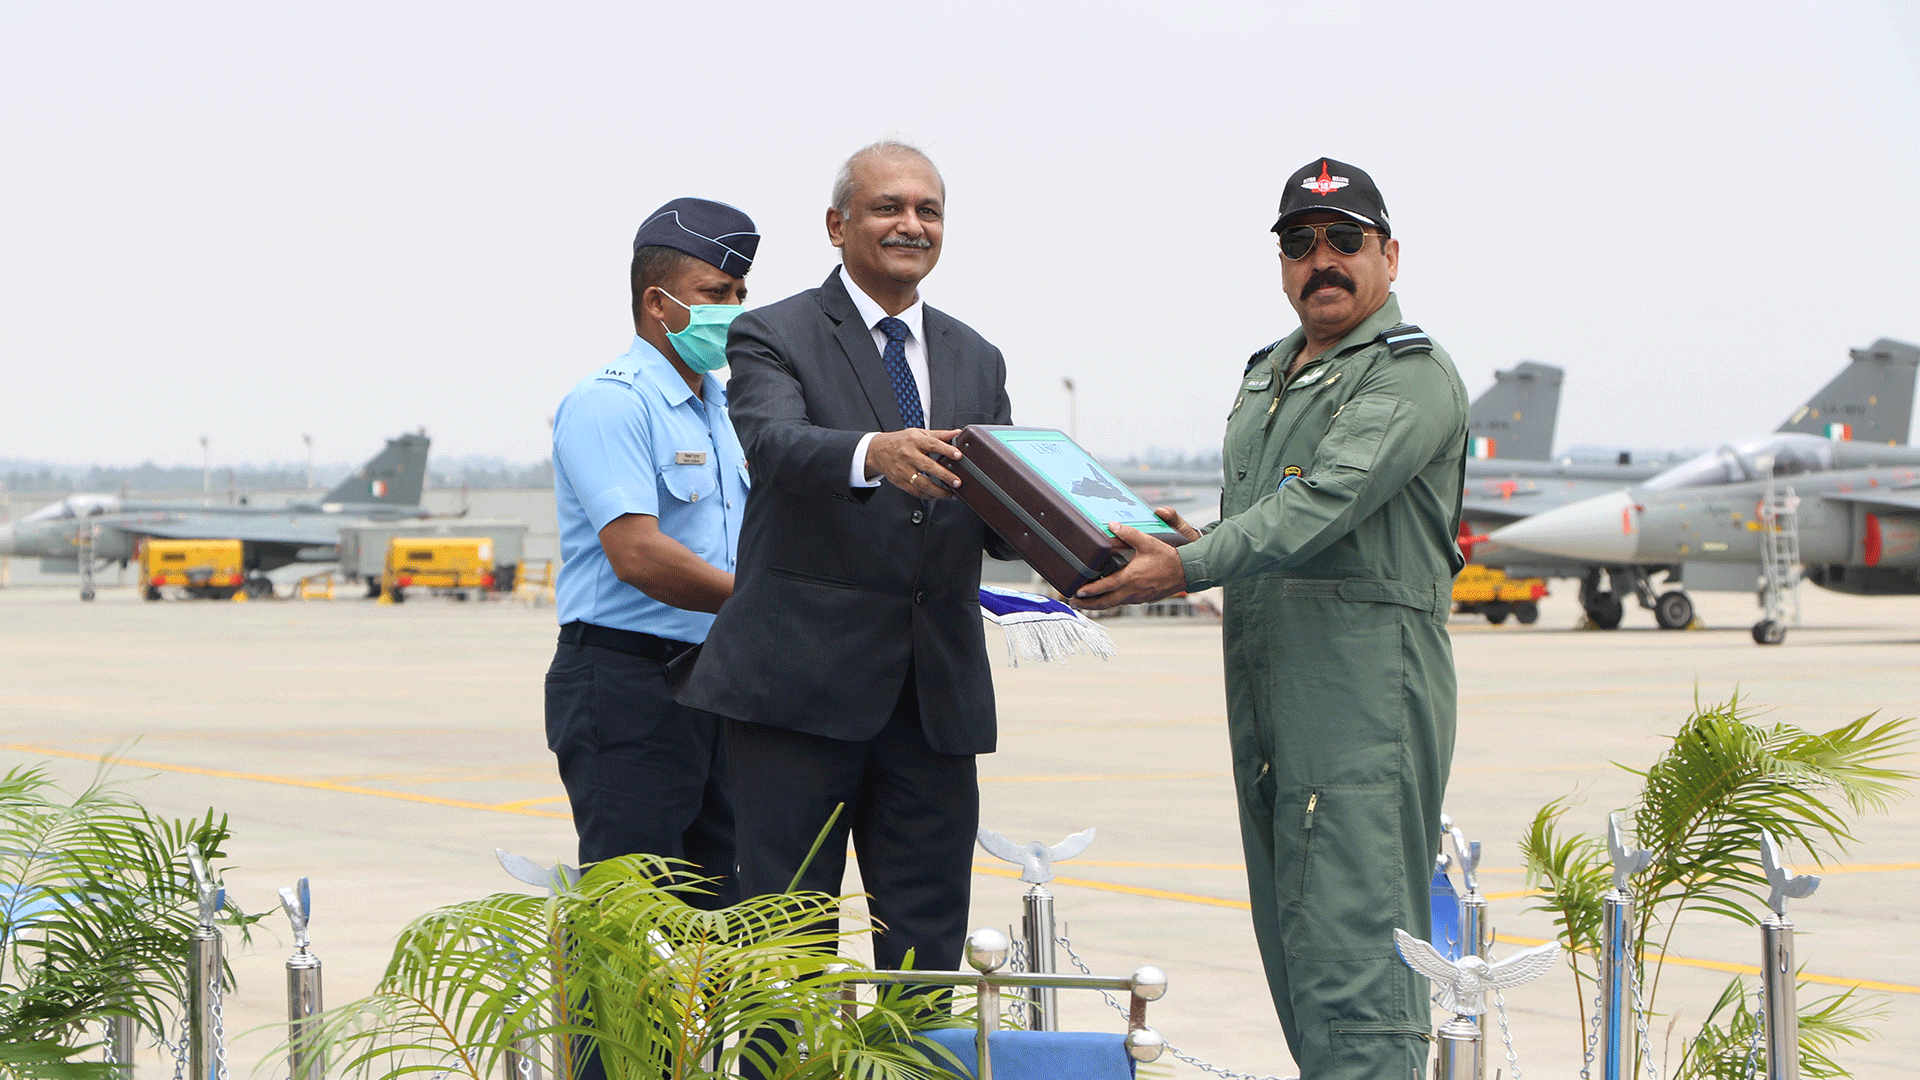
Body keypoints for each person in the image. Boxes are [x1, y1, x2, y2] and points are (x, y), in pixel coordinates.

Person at [1075, 158, 1469, 1079]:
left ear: (1390, 254)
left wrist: (1188, 563)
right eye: (1299, 243)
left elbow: (1322, 503)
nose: (1319, 260)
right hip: (1269, 697)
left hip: (1361, 707)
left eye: (1344, 240)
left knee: (1355, 951)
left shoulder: (1408, 377)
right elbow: (1273, 523)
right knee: (1296, 944)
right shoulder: (1270, 375)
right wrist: (1194, 539)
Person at [680, 141, 1013, 974]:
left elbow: (1005, 504)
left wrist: (1104, 529)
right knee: (783, 955)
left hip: (933, 704)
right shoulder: (773, 332)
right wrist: (874, 450)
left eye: (927, 210)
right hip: (798, 696)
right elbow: (773, 441)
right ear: (837, 225)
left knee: (926, 954)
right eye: (887, 208)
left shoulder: (976, 354)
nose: (911, 224)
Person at [545, 196, 758, 908]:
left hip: (718, 683)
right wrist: (765, 603)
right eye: (715, 294)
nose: (733, 310)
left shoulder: (725, 408)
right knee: (629, 917)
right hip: (628, 683)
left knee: (722, 917)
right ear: (658, 303)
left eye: (739, 294)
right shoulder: (613, 402)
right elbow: (637, 554)